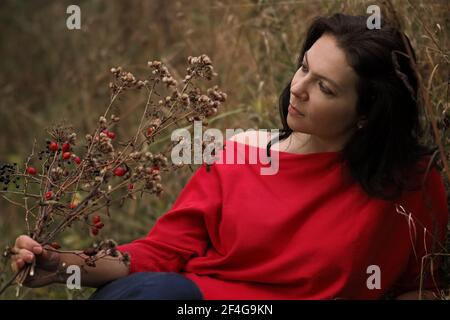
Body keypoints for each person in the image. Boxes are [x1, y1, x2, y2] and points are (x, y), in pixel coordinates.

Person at [10, 13, 448, 300]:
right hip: (209, 305)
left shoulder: (408, 182)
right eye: (303, 68)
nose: (297, 87)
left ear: (368, 113)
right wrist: (65, 266)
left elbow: (420, 288)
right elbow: (163, 252)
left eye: (325, 88)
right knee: (140, 295)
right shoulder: (241, 153)